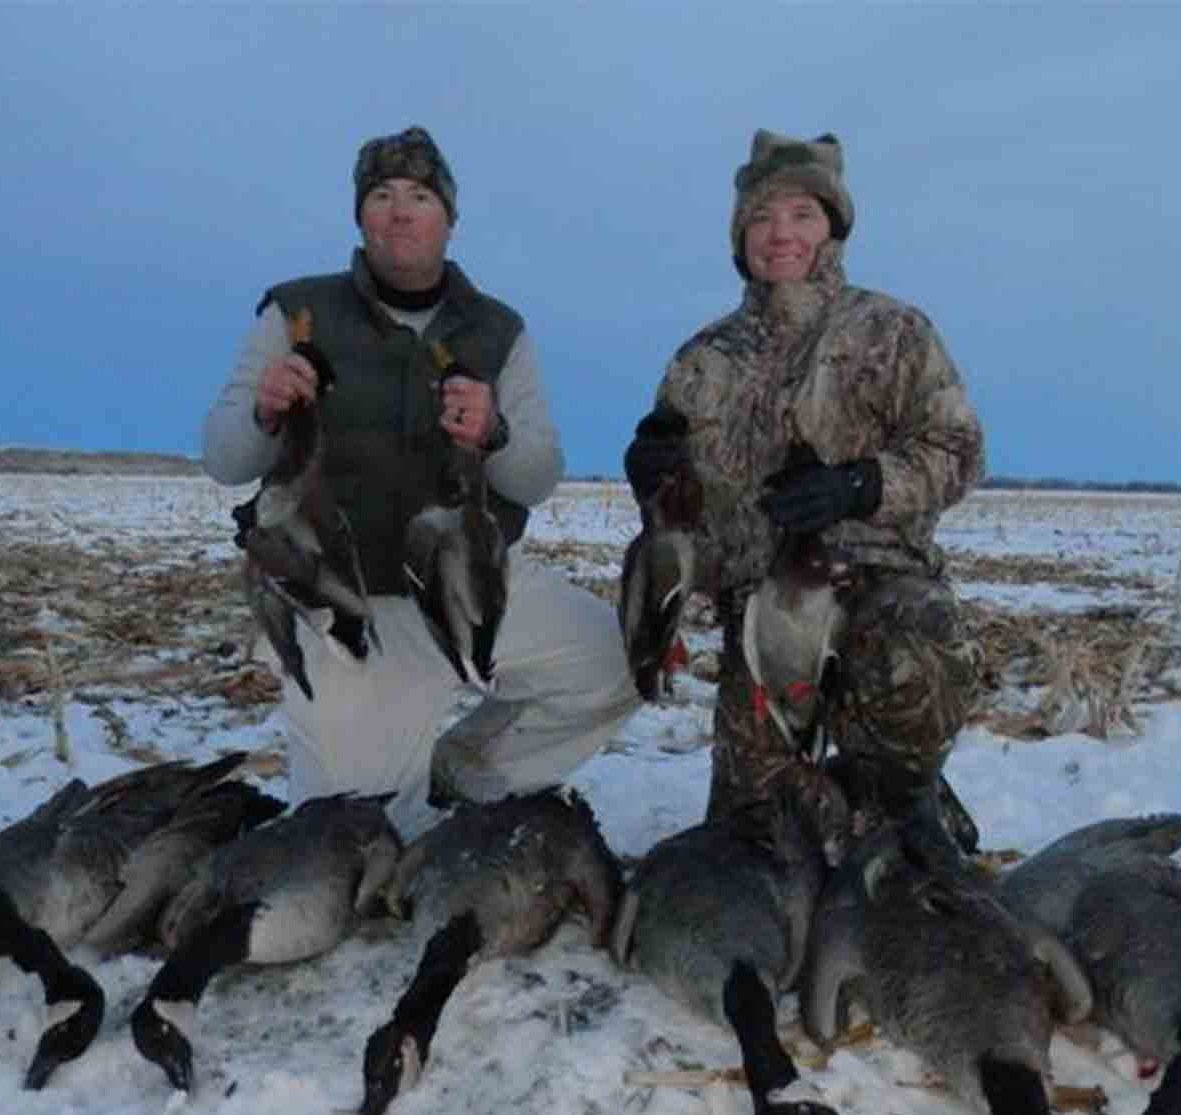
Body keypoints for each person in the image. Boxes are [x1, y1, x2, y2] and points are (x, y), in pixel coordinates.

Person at [203, 126, 640, 837]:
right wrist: (264, 409)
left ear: (449, 217)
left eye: (419, 195)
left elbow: (536, 479)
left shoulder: (500, 331)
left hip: (471, 585)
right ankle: (382, 768)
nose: (400, 211)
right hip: (351, 603)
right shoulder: (295, 313)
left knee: (620, 662)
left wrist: (494, 436)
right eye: (381, 195)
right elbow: (225, 458)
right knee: (352, 837)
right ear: (360, 216)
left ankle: (467, 774)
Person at [624, 128, 985, 857]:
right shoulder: (703, 361)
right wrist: (655, 482)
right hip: (763, 614)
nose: (780, 233)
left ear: (833, 227)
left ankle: (905, 796)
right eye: (761, 217)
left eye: (801, 214)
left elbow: (960, 452)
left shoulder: (892, 331)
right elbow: (686, 528)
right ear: (740, 235)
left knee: (916, 642)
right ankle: (831, 789)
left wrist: (861, 485)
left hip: (873, 592)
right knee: (753, 841)